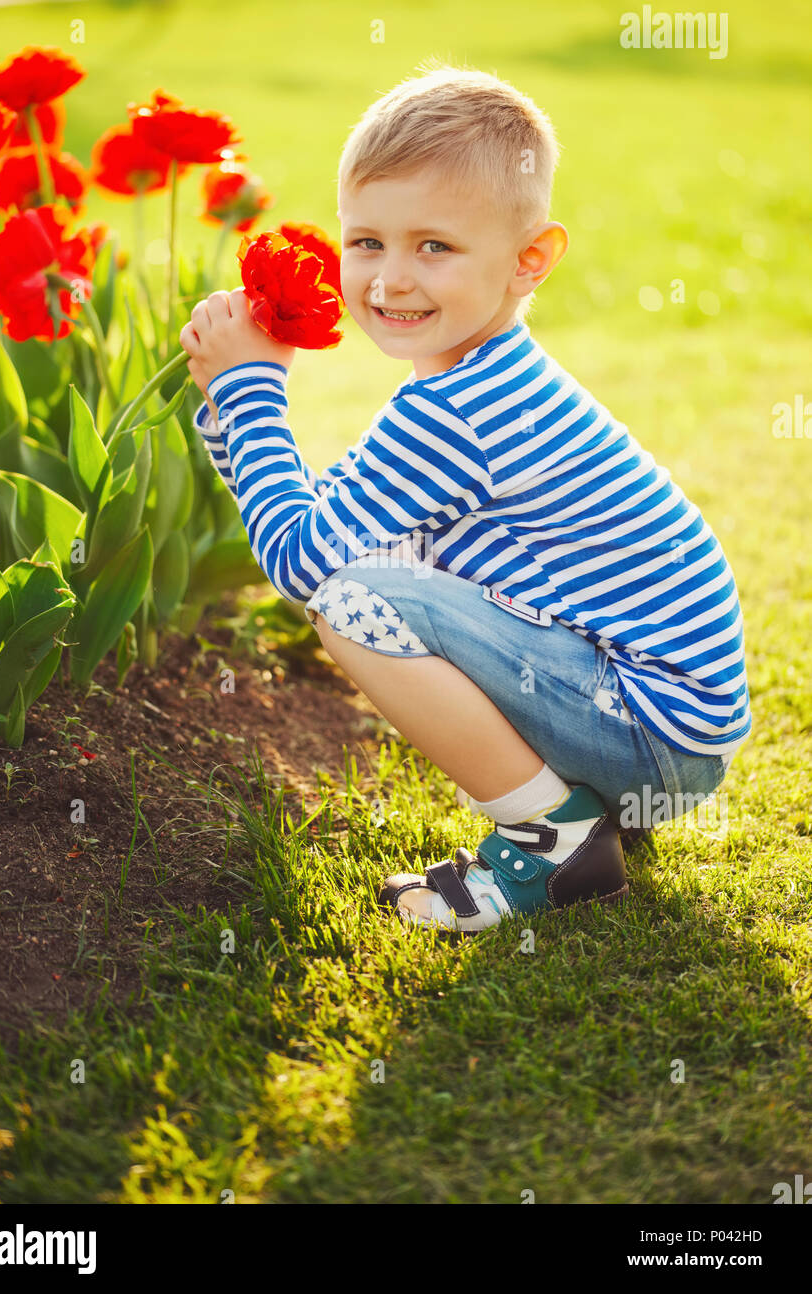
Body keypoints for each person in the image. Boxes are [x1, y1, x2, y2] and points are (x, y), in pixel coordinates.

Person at [179, 62, 752, 935]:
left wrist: (254, 391)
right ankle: (575, 817)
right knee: (364, 576)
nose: (389, 279)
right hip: (654, 729)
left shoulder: (463, 407)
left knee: (351, 601)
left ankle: (557, 841)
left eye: (433, 246)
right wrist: (230, 408)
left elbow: (304, 564)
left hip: (649, 739)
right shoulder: (476, 381)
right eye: (366, 241)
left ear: (529, 262)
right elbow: (326, 520)